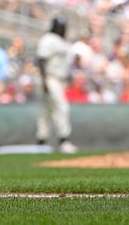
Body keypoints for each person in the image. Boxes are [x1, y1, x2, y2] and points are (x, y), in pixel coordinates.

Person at [34, 16, 78, 153]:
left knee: (48, 110)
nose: (63, 29)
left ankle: (41, 140)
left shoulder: (62, 42)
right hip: (50, 78)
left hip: (58, 79)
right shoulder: (48, 39)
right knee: (62, 107)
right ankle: (64, 140)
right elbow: (41, 60)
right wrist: (44, 81)